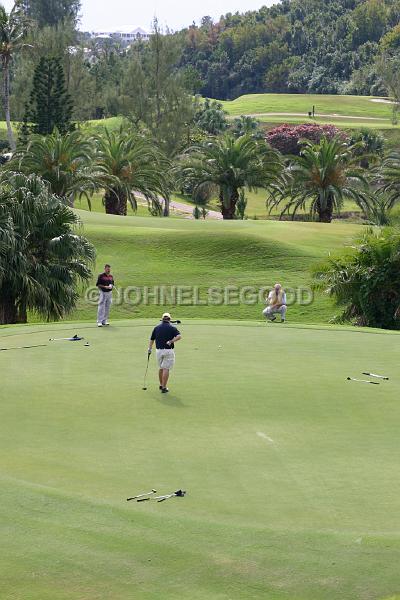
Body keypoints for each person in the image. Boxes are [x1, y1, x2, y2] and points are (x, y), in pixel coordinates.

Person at [148, 313, 181, 393]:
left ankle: (161, 384)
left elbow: (152, 339)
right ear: (169, 319)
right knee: (166, 368)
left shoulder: (156, 328)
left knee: (161, 368)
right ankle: (164, 387)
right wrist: (171, 341)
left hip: (158, 351)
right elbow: (179, 336)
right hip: (168, 350)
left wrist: (149, 349)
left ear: (162, 319)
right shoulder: (172, 328)